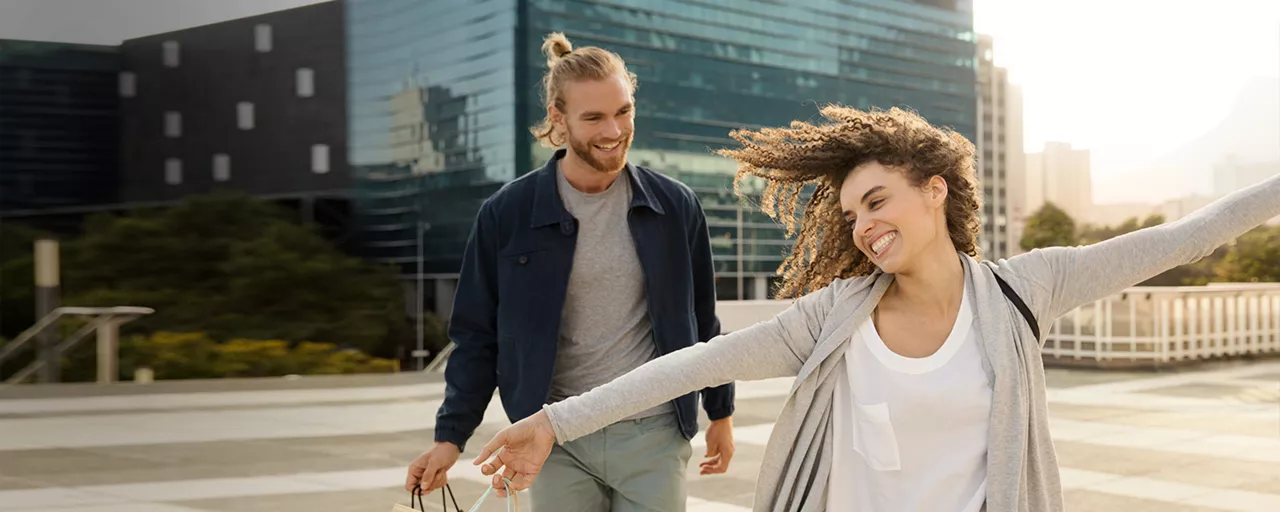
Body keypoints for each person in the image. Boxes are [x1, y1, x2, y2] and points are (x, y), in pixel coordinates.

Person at [468, 105, 1280, 511]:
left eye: (878, 200)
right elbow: (690, 363)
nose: (864, 226)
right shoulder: (835, 317)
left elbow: (1195, 233)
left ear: (935, 191)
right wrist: (555, 421)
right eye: (853, 214)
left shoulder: (1023, 291)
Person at [403, 32, 737, 511]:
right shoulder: (506, 214)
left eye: (623, 111)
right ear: (558, 119)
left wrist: (720, 412)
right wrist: (449, 437)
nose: (614, 130)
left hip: (653, 431)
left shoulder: (675, 206)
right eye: (594, 117)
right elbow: (477, 336)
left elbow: (703, 320)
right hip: (552, 437)